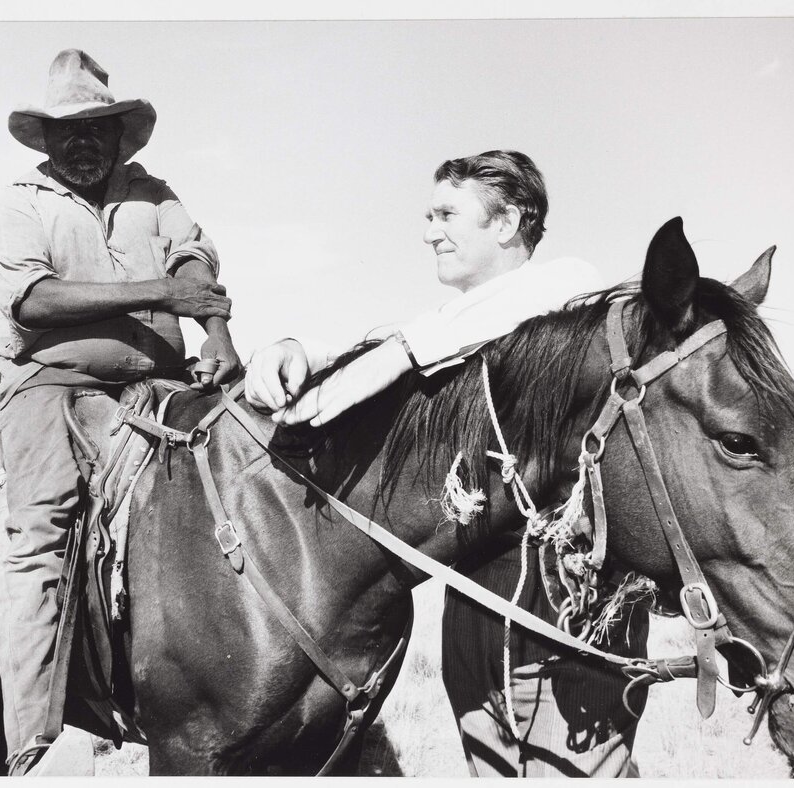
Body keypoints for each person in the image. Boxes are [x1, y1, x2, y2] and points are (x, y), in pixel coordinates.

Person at [244, 150, 645, 777]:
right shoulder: (454, 329)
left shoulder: (567, 301)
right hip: (476, 623)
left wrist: (399, 353)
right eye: (428, 215)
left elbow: (551, 283)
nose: (429, 231)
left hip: (569, 628)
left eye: (447, 214)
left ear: (508, 222)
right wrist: (301, 349)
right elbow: (411, 340)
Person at [0, 49, 240, 772]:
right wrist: (159, 293)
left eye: (97, 128)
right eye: (68, 131)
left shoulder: (154, 193)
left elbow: (194, 262)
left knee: (243, 482)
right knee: (43, 528)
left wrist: (215, 334)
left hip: (160, 378)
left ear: (120, 133)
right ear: (46, 140)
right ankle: (34, 743)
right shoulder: (18, 205)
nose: (84, 142)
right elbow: (34, 300)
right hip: (50, 385)